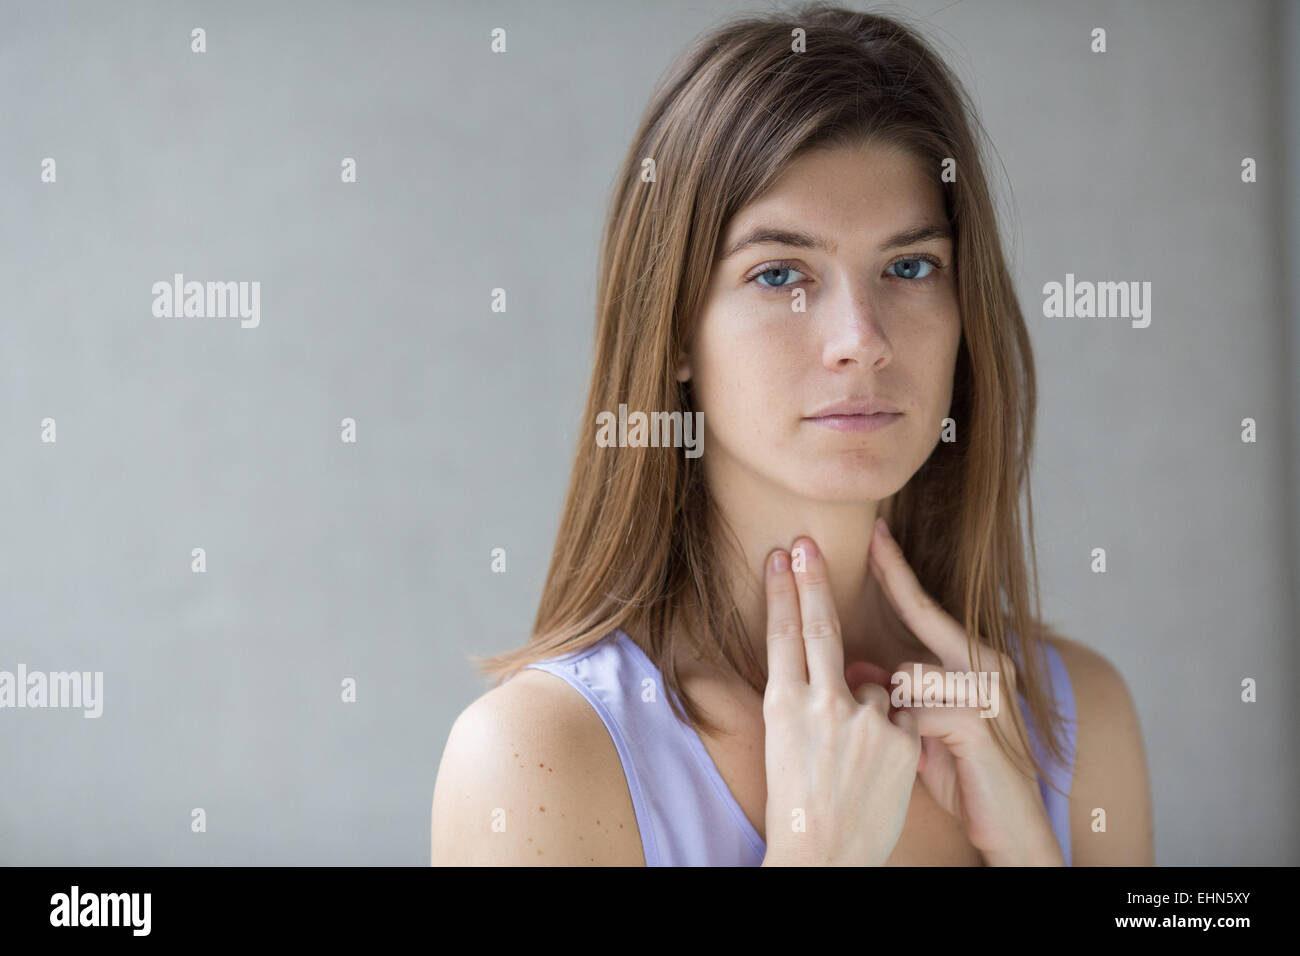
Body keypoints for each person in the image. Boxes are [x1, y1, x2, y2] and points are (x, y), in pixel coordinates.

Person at [430, 2, 1153, 866]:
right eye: (780, 274)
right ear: (673, 334)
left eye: (910, 266)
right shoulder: (535, 762)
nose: (861, 339)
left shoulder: (1076, 718)